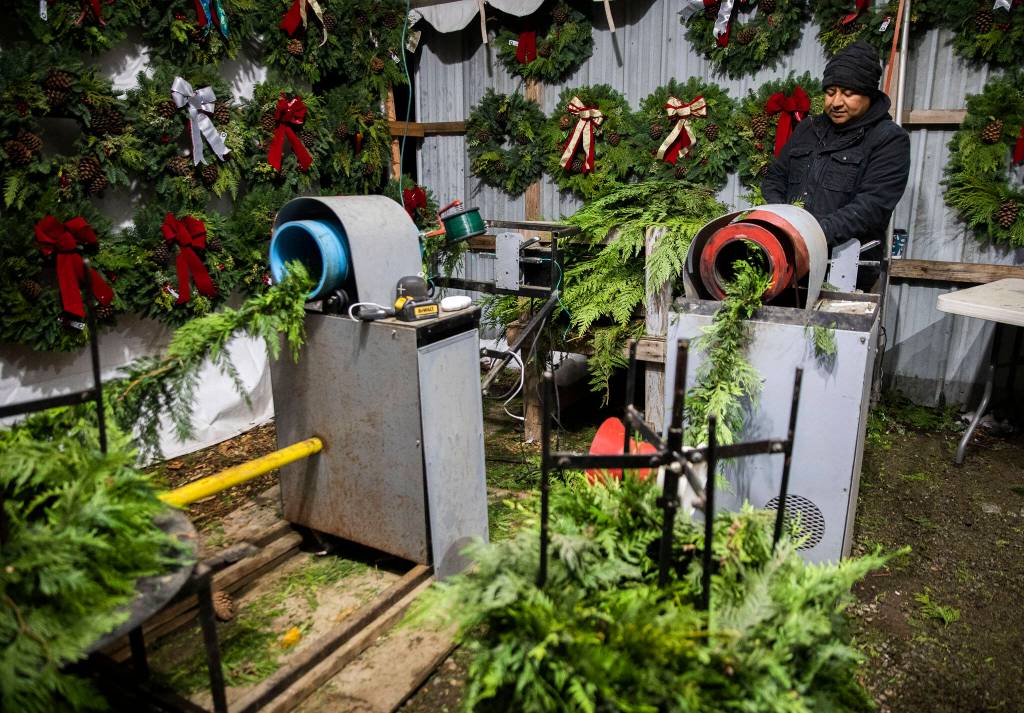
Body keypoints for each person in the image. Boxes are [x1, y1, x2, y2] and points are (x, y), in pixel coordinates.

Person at [761, 40, 911, 291]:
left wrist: (811, 235)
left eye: (848, 93)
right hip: (789, 263)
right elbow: (775, 178)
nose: (836, 102)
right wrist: (782, 225)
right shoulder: (808, 129)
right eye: (830, 92)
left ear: (869, 95)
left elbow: (871, 207)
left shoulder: (888, 139)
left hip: (846, 271)